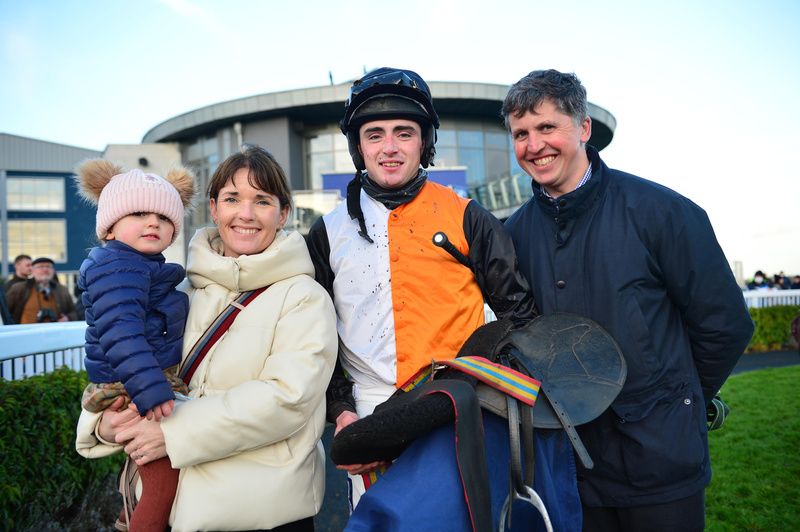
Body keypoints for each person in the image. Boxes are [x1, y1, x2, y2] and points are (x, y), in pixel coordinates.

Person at [502, 69, 754, 531]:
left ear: (582, 128)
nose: (534, 145)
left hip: (660, 463)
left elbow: (725, 324)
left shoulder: (663, 211)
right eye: (520, 134)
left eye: (546, 127)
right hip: (570, 468)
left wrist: (678, 401)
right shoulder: (513, 234)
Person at [305, 67, 537, 510]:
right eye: (374, 135)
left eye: (403, 133)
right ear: (358, 146)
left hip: (455, 406)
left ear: (424, 143)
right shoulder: (326, 232)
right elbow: (317, 335)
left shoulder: (469, 216)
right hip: (370, 413)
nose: (389, 148)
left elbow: (519, 317)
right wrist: (341, 411)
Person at [76, 145, 338, 532]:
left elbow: (286, 399)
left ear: (283, 213)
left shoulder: (304, 297)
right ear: (213, 209)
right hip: (177, 513)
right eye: (232, 199)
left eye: (262, 201)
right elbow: (128, 355)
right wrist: (103, 424)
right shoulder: (180, 289)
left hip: (263, 512)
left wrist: (171, 433)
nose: (245, 214)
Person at [74, 159, 195, 531]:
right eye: (139, 213)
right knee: (161, 484)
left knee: (155, 482)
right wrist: (150, 386)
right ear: (109, 228)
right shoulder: (116, 267)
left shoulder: (139, 266)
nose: (153, 222)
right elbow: (119, 332)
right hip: (132, 384)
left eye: (163, 216)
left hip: (136, 380)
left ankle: (130, 517)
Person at [6, 257, 77, 323]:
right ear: (32, 271)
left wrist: (68, 318)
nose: (45, 269)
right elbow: (5, 311)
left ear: (53, 271)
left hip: (55, 333)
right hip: (25, 334)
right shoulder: (19, 288)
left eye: (48, 266)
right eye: (40, 267)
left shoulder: (62, 290)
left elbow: (74, 312)